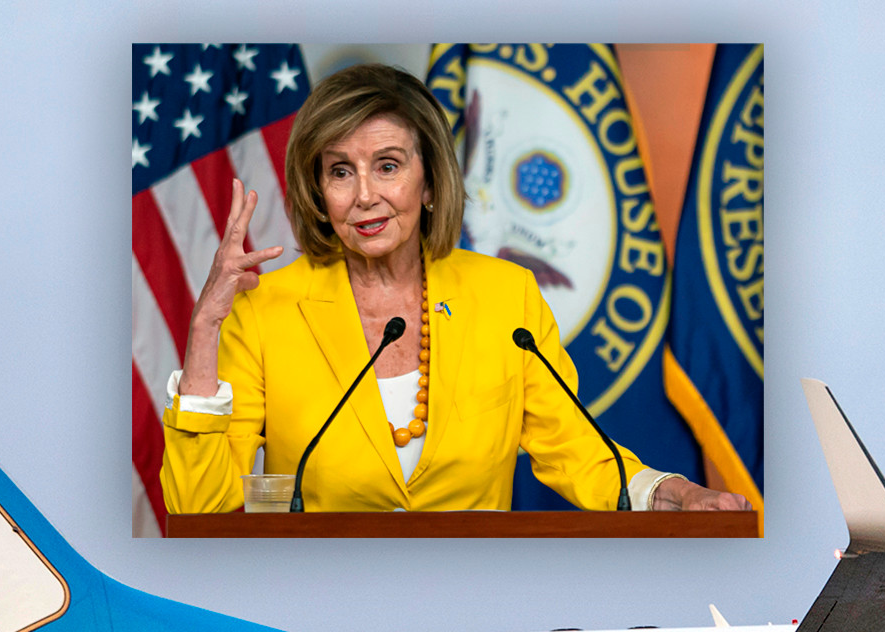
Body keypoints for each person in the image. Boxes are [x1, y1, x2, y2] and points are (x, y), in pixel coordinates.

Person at [161, 63, 750, 515]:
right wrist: (205, 328)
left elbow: (578, 451)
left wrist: (671, 492)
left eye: (387, 166)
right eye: (340, 171)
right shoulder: (266, 311)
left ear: (429, 181)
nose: (364, 194)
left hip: (477, 600)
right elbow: (198, 508)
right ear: (318, 191)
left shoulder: (506, 297)